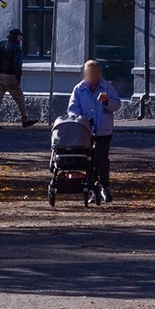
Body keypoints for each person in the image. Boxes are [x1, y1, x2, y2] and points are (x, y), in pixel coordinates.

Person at [67, 59, 122, 205]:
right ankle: (92, 190)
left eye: (94, 74)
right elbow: (72, 108)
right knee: (89, 161)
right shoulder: (79, 89)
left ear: (99, 74)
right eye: (89, 74)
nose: (92, 77)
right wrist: (81, 119)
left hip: (104, 131)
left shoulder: (107, 87)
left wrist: (107, 102)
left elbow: (117, 105)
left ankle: (105, 187)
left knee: (101, 160)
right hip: (86, 132)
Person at [0, 28, 39, 127]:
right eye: (20, 36)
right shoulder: (16, 47)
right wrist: (18, 77)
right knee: (20, 98)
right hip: (10, 76)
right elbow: (17, 64)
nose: (21, 38)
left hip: (0, 76)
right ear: (17, 36)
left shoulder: (2, 44)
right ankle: (24, 120)